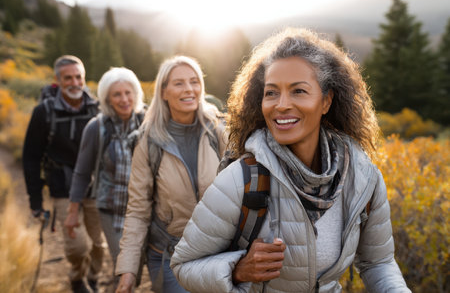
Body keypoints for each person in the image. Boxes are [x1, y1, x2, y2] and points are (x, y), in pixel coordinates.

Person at [170, 28, 411, 292]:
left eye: (298, 91)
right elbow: (185, 265)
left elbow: (379, 263)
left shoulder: (364, 179)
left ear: (326, 101)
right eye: (271, 93)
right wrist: (238, 270)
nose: (281, 105)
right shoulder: (241, 180)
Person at [115, 55, 227, 293]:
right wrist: (128, 270)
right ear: (163, 92)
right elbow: (137, 210)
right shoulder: (149, 141)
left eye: (194, 81)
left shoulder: (218, 132)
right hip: (171, 255)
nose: (189, 89)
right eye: (179, 83)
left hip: (218, 251)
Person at [23, 55, 104, 293]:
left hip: (95, 187)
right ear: (57, 80)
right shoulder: (43, 113)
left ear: (84, 78)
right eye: (68, 78)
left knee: (98, 243)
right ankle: (78, 278)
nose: (75, 82)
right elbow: (31, 158)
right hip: (62, 188)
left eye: (79, 77)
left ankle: (93, 277)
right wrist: (35, 201)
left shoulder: (97, 108)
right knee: (77, 247)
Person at [64, 67, 146, 290]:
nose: (124, 99)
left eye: (128, 92)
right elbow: (82, 173)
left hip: (144, 209)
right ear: (107, 98)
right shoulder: (97, 127)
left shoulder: (147, 122)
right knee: (124, 267)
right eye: (116, 94)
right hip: (111, 209)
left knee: (136, 268)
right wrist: (72, 213)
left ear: (136, 93)